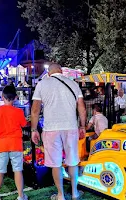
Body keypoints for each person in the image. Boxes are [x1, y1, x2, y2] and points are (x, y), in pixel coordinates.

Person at [31, 63, 86, 200]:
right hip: (71, 127)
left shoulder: (42, 84)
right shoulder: (73, 84)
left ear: (48, 73)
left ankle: (60, 195)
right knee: (72, 161)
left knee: (55, 163)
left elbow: (35, 110)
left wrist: (33, 130)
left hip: (51, 129)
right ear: (61, 71)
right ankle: (75, 193)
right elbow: (82, 108)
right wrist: (83, 126)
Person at [0, 86, 28, 200]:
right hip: (16, 144)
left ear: (2, 97)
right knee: (17, 170)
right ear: (15, 97)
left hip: (1, 144)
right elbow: (24, 124)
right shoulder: (19, 111)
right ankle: (21, 196)